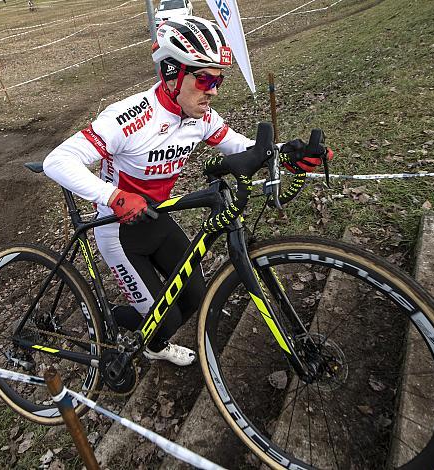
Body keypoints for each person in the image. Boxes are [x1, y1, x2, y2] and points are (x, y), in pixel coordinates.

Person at [43, 16, 330, 366]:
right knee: (169, 318)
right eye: (205, 78)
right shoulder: (129, 119)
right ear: (172, 73)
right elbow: (57, 161)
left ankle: (141, 333)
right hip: (119, 230)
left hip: (157, 217)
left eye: (218, 80)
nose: (213, 90)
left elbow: (239, 147)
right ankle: (128, 331)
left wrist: (288, 154)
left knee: (195, 296)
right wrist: (113, 197)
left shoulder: (201, 117)